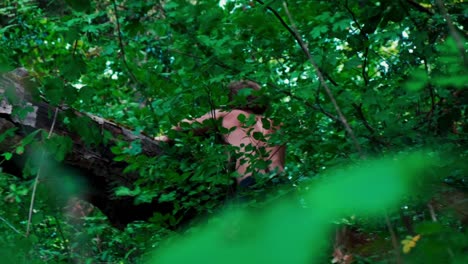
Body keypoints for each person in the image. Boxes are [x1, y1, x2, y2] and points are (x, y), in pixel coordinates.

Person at [155, 80, 285, 187]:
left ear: (233, 98)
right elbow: (279, 162)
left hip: (252, 180)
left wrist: (163, 138)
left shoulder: (228, 115)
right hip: (282, 183)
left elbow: (184, 126)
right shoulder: (276, 124)